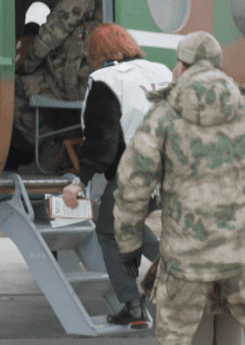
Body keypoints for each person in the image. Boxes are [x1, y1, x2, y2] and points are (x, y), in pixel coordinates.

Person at [113, 32, 245, 345]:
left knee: (179, 336)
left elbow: (132, 188)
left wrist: (128, 244)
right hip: (244, 250)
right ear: (218, 66)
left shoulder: (162, 116)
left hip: (186, 254)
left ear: (181, 66)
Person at [60, 23, 172, 328]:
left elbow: (102, 138)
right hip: (169, 170)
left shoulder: (105, 79)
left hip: (135, 172)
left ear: (97, 52)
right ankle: (180, 270)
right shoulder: (162, 71)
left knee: (108, 232)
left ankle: (133, 305)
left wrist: (79, 181)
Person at [12, 0, 102, 153]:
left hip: (75, 84)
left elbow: (51, 34)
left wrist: (27, 65)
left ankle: (50, 149)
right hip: (95, 82)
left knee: (10, 87)